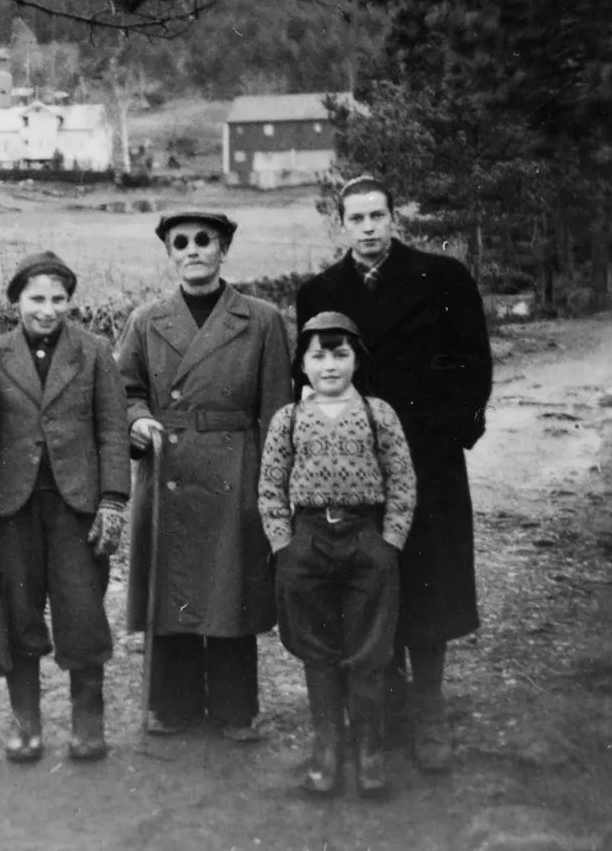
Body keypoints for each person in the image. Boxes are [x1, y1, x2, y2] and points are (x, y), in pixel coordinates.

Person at [295, 176, 493, 772]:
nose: (369, 228)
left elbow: (473, 359)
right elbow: (306, 377)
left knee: (430, 577)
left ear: (393, 216)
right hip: (354, 465)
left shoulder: (443, 278)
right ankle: (386, 704)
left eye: (378, 215)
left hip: (427, 454)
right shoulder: (320, 291)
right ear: (341, 223)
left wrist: (452, 427)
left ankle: (429, 709)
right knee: (368, 580)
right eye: (356, 219)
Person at [117, 210, 291, 741]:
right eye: (180, 243)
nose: (192, 250)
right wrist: (139, 419)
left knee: (229, 583)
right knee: (174, 585)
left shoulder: (261, 319)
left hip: (235, 466)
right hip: (167, 464)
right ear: (169, 253)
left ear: (223, 249)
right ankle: (173, 705)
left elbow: (279, 409)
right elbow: (124, 390)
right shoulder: (146, 319)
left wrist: (271, 483)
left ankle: (236, 709)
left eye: (203, 241)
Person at [0, 252, 130, 764]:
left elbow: (112, 429)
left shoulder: (94, 352)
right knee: (20, 613)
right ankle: (26, 724)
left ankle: (88, 722)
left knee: (82, 611)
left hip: (76, 506)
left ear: (70, 302)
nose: (47, 309)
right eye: (36, 298)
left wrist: (112, 501)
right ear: (16, 300)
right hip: (12, 507)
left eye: (58, 299)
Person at [259, 312, 416, 798]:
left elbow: (402, 479)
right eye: (318, 355)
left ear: (356, 359)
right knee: (318, 647)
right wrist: (284, 544)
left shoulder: (377, 413)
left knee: (368, 648)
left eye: (340, 354)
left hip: (366, 538)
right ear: (302, 364)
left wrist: (389, 541)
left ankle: (369, 749)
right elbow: (269, 487)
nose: (330, 365)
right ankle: (328, 746)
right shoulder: (289, 419)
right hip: (307, 541)